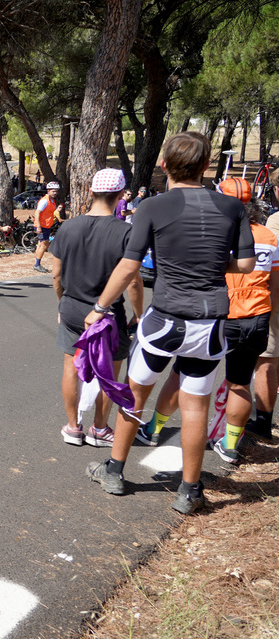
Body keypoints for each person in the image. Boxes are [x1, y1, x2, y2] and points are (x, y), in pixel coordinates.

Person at [82, 131, 255, 515]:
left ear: (163, 165)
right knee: (196, 406)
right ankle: (189, 491)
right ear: (206, 166)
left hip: (165, 320)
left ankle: (114, 471)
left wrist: (100, 306)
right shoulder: (232, 208)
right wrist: (212, 266)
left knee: (134, 394)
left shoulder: (152, 207)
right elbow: (244, 265)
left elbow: (130, 265)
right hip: (210, 323)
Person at [135, 180, 277, 465]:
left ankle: (153, 428)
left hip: (219, 316)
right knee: (240, 383)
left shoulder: (218, 230)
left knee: (182, 374)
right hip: (256, 316)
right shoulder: (269, 236)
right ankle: (230, 444)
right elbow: (274, 283)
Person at [49, 169, 143, 447]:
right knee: (109, 371)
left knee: (70, 366)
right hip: (108, 314)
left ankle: (72, 426)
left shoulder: (68, 227)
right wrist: (138, 316)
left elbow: (56, 274)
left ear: (90, 192)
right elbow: (134, 283)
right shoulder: (126, 232)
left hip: (72, 307)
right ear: (119, 196)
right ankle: (99, 429)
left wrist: (61, 303)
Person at [245, 169, 279, 443]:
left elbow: (271, 271)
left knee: (266, 360)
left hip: (273, 301)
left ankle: (263, 422)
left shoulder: (275, 223)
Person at [33, 181, 64, 273]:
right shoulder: (44, 201)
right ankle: (37, 265)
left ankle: (37, 263)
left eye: (56, 191)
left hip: (46, 225)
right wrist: (38, 226)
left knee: (41, 244)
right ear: (48, 190)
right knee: (44, 244)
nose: (55, 193)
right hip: (42, 225)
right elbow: (37, 213)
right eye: (53, 191)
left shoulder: (52, 201)